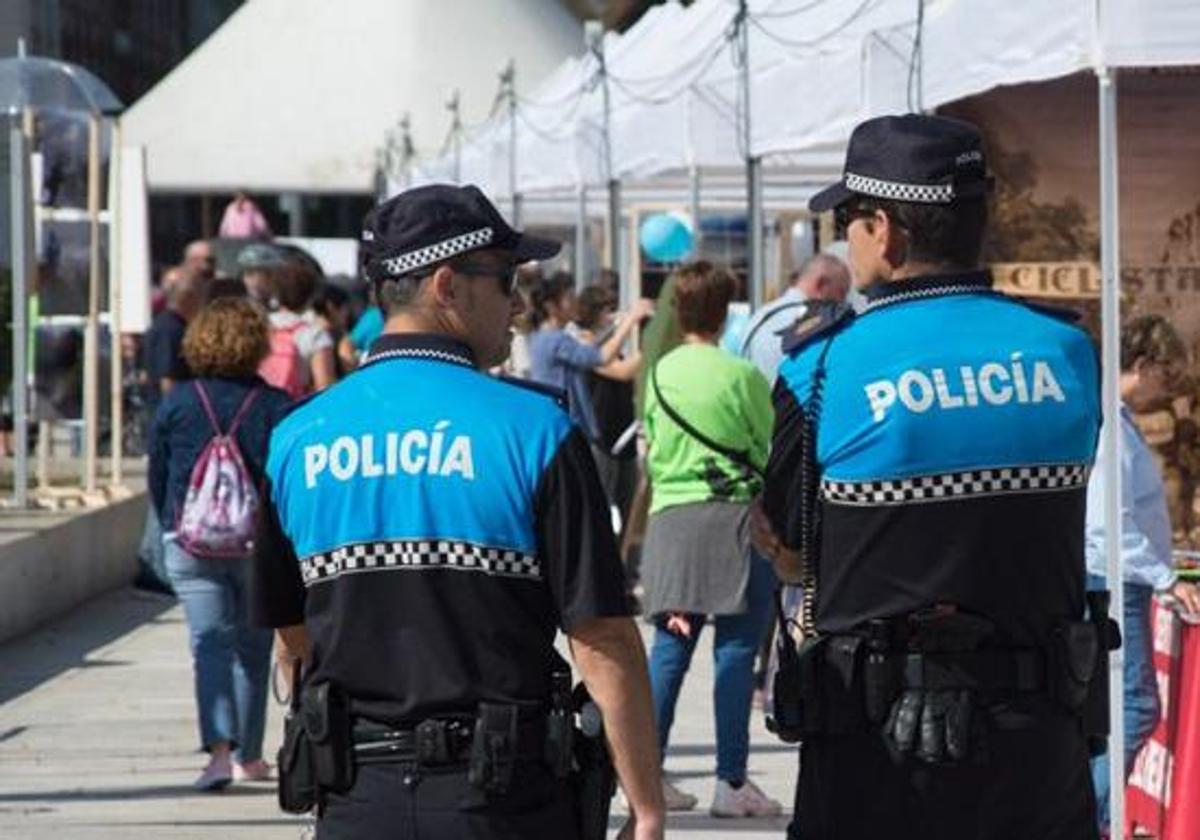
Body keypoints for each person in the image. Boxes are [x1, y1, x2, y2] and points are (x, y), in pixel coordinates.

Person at [250, 184, 664, 840]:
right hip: (504, 799)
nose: (519, 303)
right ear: (448, 285)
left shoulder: (296, 437)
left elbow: (291, 636)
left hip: (357, 798)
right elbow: (601, 637)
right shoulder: (535, 430)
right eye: (506, 279)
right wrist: (646, 804)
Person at [753, 114, 1104, 839]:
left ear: (885, 229)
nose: (845, 240)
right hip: (1038, 745)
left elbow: (787, 546)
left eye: (848, 220)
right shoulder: (1070, 352)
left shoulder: (819, 369)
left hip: (876, 758)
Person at [639, 261, 781, 818]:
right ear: (725, 314)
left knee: (670, 649)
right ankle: (731, 781)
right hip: (735, 528)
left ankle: (645, 776)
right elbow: (765, 445)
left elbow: (653, 443)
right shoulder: (740, 374)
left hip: (673, 527)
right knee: (735, 651)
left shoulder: (658, 373)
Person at [149, 297, 292, 790]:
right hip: (257, 545)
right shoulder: (275, 405)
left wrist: (170, 523)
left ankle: (217, 752)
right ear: (257, 343)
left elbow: (158, 474)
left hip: (190, 541)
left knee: (208, 644)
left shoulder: (178, 402)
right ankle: (248, 756)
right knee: (253, 649)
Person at [1086, 314, 1200, 831]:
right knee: (1132, 710)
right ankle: (1095, 816)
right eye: (1166, 375)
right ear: (1144, 365)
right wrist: (1164, 577)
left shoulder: (1118, 420)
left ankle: (1098, 814)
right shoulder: (1111, 424)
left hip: (1122, 578)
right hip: (1116, 583)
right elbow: (1110, 523)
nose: (1168, 389)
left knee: (1124, 711)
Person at [137, 265, 208, 594]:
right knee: (163, 494)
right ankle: (152, 568)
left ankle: (154, 564)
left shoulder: (168, 325)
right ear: (188, 298)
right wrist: (182, 418)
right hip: (168, 422)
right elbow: (167, 379)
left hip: (165, 419)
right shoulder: (170, 329)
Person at [528, 273, 653, 445]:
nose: (574, 303)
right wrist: (631, 320)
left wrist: (616, 325)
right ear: (551, 307)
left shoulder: (544, 338)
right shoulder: (555, 341)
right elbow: (601, 357)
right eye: (569, 298)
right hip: (566, 430)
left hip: (561, 428)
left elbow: (589, 348)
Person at [575, 284, 642, 530]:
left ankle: (625, 563)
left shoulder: (610, 347)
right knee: (600, 507)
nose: (613, 316)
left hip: (624, 436)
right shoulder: (584, 346)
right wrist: (651, 350)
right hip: (602, 439)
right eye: (608, 310)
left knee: (629, 507)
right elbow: (621, 372)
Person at [739, 254, 850, 383]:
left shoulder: (759, 316)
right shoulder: (816, 324)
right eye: (841, 292)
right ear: (821, 284)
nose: (843, 301)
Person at [263, 260, 338, 396]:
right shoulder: (315, 334)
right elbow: (324, 387)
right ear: (311, 295)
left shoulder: (261, 325)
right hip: (294, 408)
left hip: (261, 404)